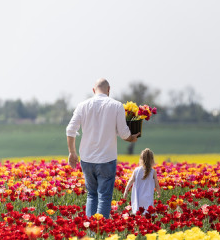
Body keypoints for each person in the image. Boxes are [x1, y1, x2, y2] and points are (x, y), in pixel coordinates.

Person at [66, 78, 140, 218]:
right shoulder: (117, 106)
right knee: (104, 197)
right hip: (107, 159)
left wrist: (72, 152)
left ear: (93, 90)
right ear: (109, 90)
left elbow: (70, 130)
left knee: (91, 195)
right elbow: (124, 134)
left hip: (87, 158)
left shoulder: (82, 105)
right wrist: (132, 138)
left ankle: (90, 227)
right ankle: (101, 228)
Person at [123, 148, 161, 214]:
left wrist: (126, 190)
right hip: (148, 197)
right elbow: (156, 184)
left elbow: (131, 181)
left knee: (139, 213)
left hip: (138, 197)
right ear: (152, 160)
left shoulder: (136, 170)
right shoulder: (153, 172)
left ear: (141, 159)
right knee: (147, 213)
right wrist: (158, 192)